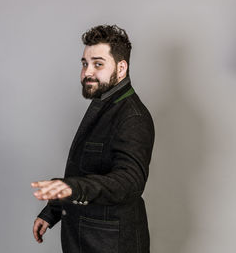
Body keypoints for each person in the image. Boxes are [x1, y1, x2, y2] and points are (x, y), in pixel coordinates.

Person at [31, 24, 155, 253]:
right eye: (84, 63)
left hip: (111, 245)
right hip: (87, 241)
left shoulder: (132, 116)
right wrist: (52, 212)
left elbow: (129, 182)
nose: (87, 72)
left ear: (121, 68)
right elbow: (85, 172)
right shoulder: (104, 103)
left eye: (98, 64)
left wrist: (71, 188)